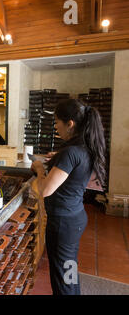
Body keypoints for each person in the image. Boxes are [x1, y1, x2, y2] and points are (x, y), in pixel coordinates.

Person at [31, 99, 106, 295]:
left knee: (61, 277)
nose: (56, 127)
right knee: (69, 266)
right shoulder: (86, 147)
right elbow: (76, 165)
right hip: (75, 218)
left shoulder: (71, 152)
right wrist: (59, 157)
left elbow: (44, 190)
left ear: (70, 124)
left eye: (57, 122)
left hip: (63, 223)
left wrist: (39, 169)